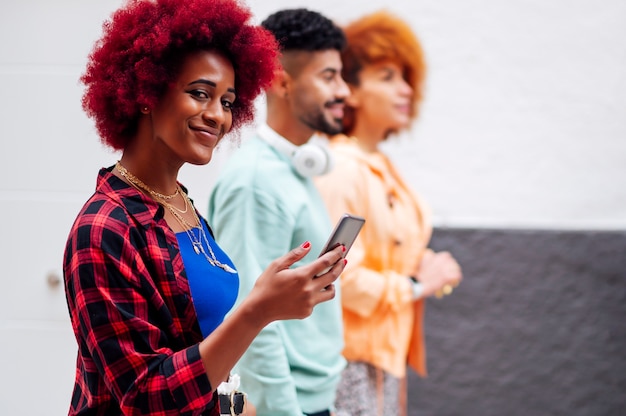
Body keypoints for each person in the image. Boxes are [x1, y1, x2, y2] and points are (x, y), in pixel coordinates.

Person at [62, 1, 347, 415]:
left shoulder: (181, 205)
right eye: (200, 93)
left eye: (228, 102)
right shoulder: (104, 228)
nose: (217, 115)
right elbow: (145, 398)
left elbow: (197, 344)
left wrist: (237, 402)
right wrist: (257, 312)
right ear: (147, 91)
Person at [314, 11, 464, 416]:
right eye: (387, 76)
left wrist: (419, 264)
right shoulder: (344, 167)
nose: (405, 90)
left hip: (380, 359)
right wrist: (416, 283)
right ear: (352, 90)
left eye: (405, 77)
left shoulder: (376, 164)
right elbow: (338, 276)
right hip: (349, 363)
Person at [207, 8, 350, 416]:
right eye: (328, 76)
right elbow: (249, 314)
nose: (344, 91)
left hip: (313, 400)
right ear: (282, 82)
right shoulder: (255, 181)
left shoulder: (292, 170)